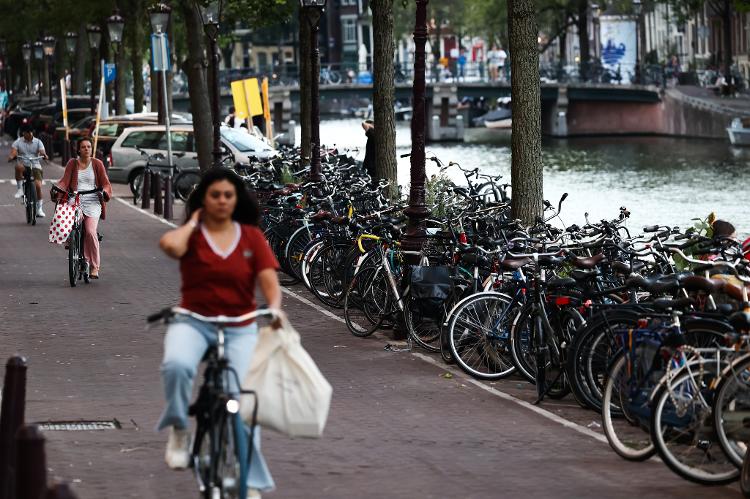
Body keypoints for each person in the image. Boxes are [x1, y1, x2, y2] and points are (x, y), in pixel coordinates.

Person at [157, 168, 282, 496]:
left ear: (236, 199)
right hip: (193, 321)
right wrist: (193, 221)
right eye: (215, 195)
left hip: (240, 327)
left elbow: (268, 280)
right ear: (204, 200)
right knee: (177, 366)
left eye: (228, 195)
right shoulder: (193, 234)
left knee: (242, 404)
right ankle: (180, 430)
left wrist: (275, 308)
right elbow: (170, 246)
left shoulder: (251, 236)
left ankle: (250, 481)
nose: (223, 201)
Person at [53, 138, 112, 279]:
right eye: (83, 147)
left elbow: (105, 183)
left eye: (89, 146)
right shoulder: (72, 163)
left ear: (92, 149)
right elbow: (64, 181)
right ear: (78, 149)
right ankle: (71, 239)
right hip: (76, 199)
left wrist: (104, 192)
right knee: (64, 216)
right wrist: (57, 189)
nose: (86, 149)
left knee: (91, 232)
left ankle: (94, 266)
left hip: (92, 201)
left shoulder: (97, 164)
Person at [8, 123, 49, 217]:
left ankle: (39, 209)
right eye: (28, 132)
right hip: (23, 164)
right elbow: (13, 152)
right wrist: (11, 157)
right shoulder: (18, 142)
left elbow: (42, 152)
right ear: (23, 133)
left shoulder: (38, 142)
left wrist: (44, 155)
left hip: (35, 165)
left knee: (38, 186)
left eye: (31, 132)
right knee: (18, 166)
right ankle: (20, 190)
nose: (30, 134)